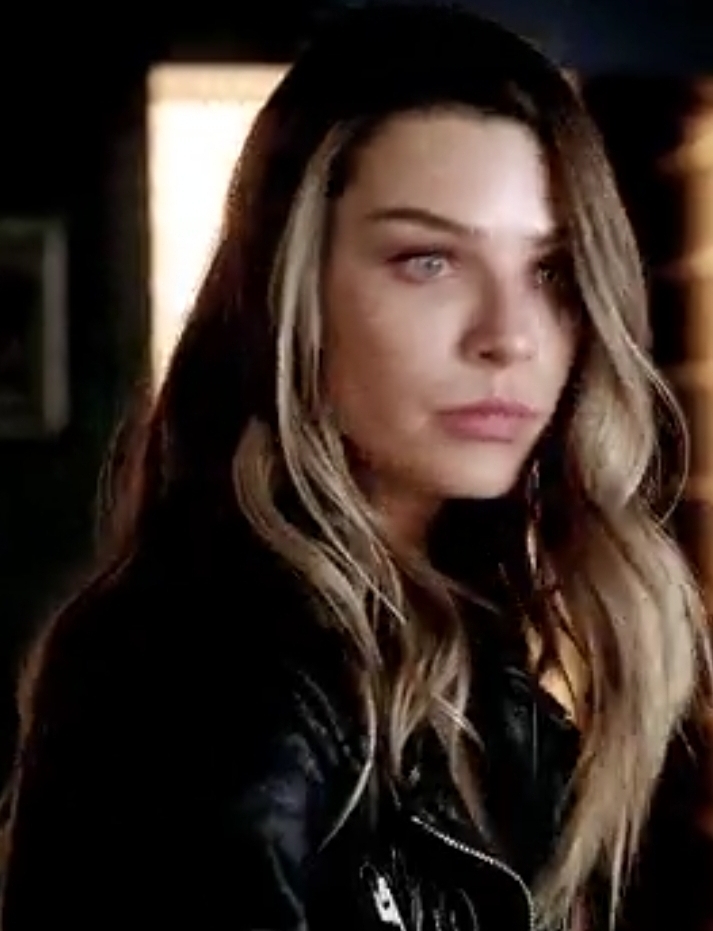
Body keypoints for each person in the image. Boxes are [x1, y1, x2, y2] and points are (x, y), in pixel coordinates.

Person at [1, 3, 712, 929]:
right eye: (427, 260)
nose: (508, 336)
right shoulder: (198, 678)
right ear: (292, 293)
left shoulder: (467, 661)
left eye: (548, 270)